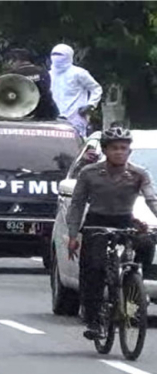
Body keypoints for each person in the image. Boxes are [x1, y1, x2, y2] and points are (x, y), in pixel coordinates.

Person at [66, 127, 157, 340]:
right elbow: (77, 204)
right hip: (96, 223)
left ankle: (132, 290)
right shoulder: (89, 173)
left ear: (129, 152)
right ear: (105, 150)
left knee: (146, 243)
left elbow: (151, 199)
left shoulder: (138, 174)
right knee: (94, 268)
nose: (119, 152)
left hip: (125, 220)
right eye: (114, 148)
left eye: (123, 148)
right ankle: (94, 320)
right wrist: (72, 235)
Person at [0, 48, 59, 120]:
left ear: (14, 60)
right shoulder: (43, 72)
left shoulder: (13, 74)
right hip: (46, 113)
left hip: (20, 114)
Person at [50, 43, 103, 137]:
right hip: (54, 116)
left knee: (76, 143)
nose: (56, 57)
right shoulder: (49, 75)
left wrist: (90, 105)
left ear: (69, 56)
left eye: (60, 54)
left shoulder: (78, 73)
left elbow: (96, 88)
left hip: (75, 117)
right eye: (53, 54)